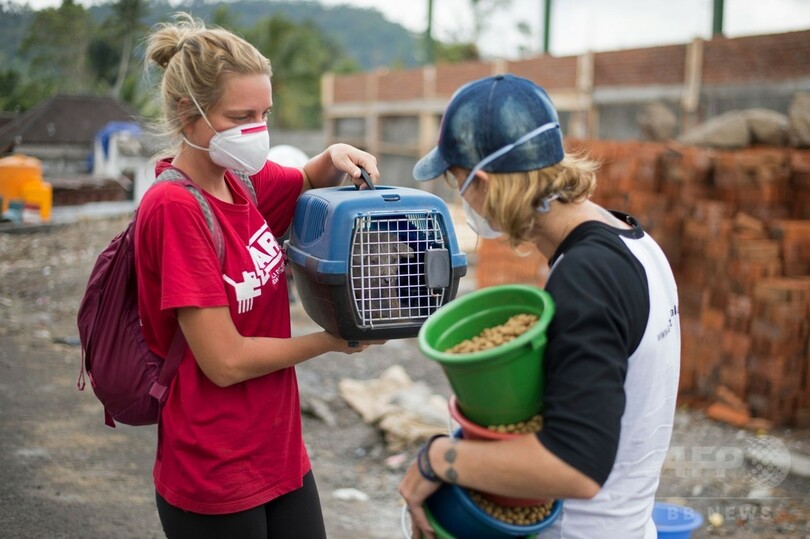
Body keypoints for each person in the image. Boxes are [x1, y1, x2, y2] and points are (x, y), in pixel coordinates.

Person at [399, 74, 680, 538]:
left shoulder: (588, 277)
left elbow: (575, 468)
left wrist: (439, 460)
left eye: (457, 185)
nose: (463, 201)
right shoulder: (634, 242)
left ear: (484, 183)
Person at [137, 13, 381, 538]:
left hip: (280, 452)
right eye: (240, 115)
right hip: (215, 470)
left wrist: (334, 156)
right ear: (188, 113)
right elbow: (223, 361)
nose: (256, 131)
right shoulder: (174, 208)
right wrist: (329, 341)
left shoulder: (241, 181)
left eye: (264, 114)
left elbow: (307, 179)